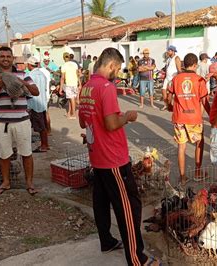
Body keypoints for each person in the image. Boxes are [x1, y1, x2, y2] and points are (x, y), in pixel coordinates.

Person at [78, 47, 160, 266]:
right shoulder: (106, 87)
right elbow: (111, 123)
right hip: (113, 158)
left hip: (97, 156)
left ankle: (107, 240)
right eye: (118, 68)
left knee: (102, 201)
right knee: (129, 206)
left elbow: (82, 122)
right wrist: (128, 116)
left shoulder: (86, 87)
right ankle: (137, 258)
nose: (118, 73)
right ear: (112, 65)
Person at [0, 46, 39, 196]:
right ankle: (6, 182)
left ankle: (29, 183)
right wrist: (0, 84)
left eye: (8, 56)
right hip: (2, 123)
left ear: (12, 58)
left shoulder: (23, 74)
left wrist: (21, 82)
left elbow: (36, 92)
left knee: (26, 153)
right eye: (2, 56)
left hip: (22, 121)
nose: (5, 59)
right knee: (4, 154)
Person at [166, 53, 210, 184]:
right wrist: (211, 115)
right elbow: (204, 101)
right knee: (199, 144)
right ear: (195, 65)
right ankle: (197, 172)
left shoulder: (176, 79)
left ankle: (183, 177)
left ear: (184, 64)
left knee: (181, 146)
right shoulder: (199, 80)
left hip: (179, 118)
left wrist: (169, 106)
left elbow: (169, 96)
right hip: (194, 118)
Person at [26, 57, 49, 153]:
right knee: (42, 125)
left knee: (41, 127)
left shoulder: (30, 75)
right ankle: (45, 144)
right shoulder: (42, 74)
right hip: (42, 103)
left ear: (29, 65)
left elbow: (28, 91)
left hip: (34, 104)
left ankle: (44, 145)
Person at [60, 52, 81, 119]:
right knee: (71, 99)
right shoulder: (74, 64)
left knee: (71, 98)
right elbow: (78, 74)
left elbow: (62, 78)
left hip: (69, 84)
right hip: (75, 83)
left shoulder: (64, 66)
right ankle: (69, 113)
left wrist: (60, 88)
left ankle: (74, 114)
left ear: (63, 58)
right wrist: (80, 83)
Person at [161, 45, 182, 111]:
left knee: (172, 93)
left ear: (173, 51)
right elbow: (167, 68)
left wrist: (178, 79)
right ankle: (165, 105)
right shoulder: (168, 59)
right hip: (167, 78)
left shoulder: (176, 58)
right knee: (163, 90)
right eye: (168, 50)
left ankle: (174, 106)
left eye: (169, 51)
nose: (167, 52)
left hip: (173, 78)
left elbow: (179, 70)